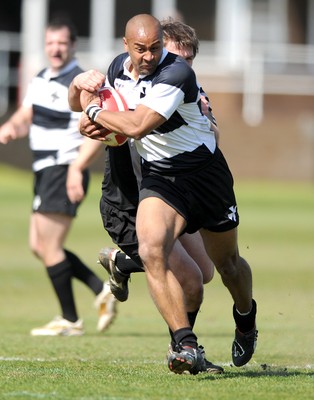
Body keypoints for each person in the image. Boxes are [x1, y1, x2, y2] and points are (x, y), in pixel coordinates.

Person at [71, 14, 258, 374]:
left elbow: (137, 125)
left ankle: (246, 318)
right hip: (162, 178)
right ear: (126, 46)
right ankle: (184, 344)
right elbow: (82, 107)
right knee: (152, 247)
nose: (149, 56)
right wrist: (83, 94)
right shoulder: (117, 69)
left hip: (205, 178)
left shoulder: (177, 74)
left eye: (155, 48)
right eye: (141, 49)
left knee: (227, 266)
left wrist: (94, 111)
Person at [0, 17, 117, 336]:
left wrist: (76, 171)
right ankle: (100, 289)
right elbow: (27, 115)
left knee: (49, 246)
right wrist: (13, 127)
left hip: (63, 168)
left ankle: (70, 320)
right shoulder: (39, 78)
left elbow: (96, 133)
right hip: (44, 171)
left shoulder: (83, 84)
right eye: (50, 42)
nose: (55, 48)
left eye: (62, 43)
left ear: (73, 46)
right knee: (38, 244)